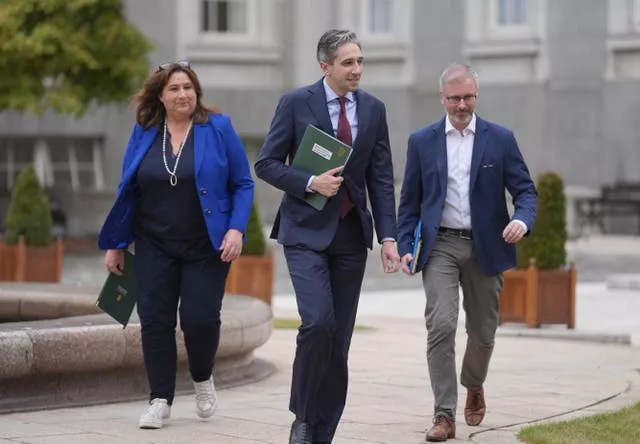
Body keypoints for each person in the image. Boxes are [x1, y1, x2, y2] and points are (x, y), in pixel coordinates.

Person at [255, 29, 400, 444]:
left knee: (339, 342)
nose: (356, 70)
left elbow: (382, 178)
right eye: (347, 63)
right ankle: (302, 418)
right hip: (304, 233)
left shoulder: (373, 109)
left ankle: (323, 434)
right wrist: (309, 182)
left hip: (351, 237)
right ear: (325, 66)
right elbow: (265, 164)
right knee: (318, 323)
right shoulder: (296, 103)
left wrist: (388, 238)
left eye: (359, 62)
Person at [98, 61, 254, 429]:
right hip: (153, 243)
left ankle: (202, 377)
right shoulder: (145, 131)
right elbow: (128, 190)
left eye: (188, 87)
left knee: (199, 319)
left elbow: (243, 183)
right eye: (174, 89)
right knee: (154, 322)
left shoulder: (218, 127)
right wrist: (117, 244)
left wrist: (236, 230)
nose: (183, 94)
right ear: (160, 96)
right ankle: (159, 399)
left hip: (206, 245)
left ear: (196, 92)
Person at [397, 63, 538, 442]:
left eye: (468, 97)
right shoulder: (422, 141)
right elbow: (409, 202)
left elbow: (525, 192)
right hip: (440, 245)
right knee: (440, 325)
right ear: (442, 98)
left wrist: (522, 222)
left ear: (477, 95)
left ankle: (473, 383)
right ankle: (444, 414)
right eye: (455, 98)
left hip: (486, 247)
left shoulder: (500, 139)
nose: (462, 105)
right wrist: (407, 244)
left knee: (484, 333)